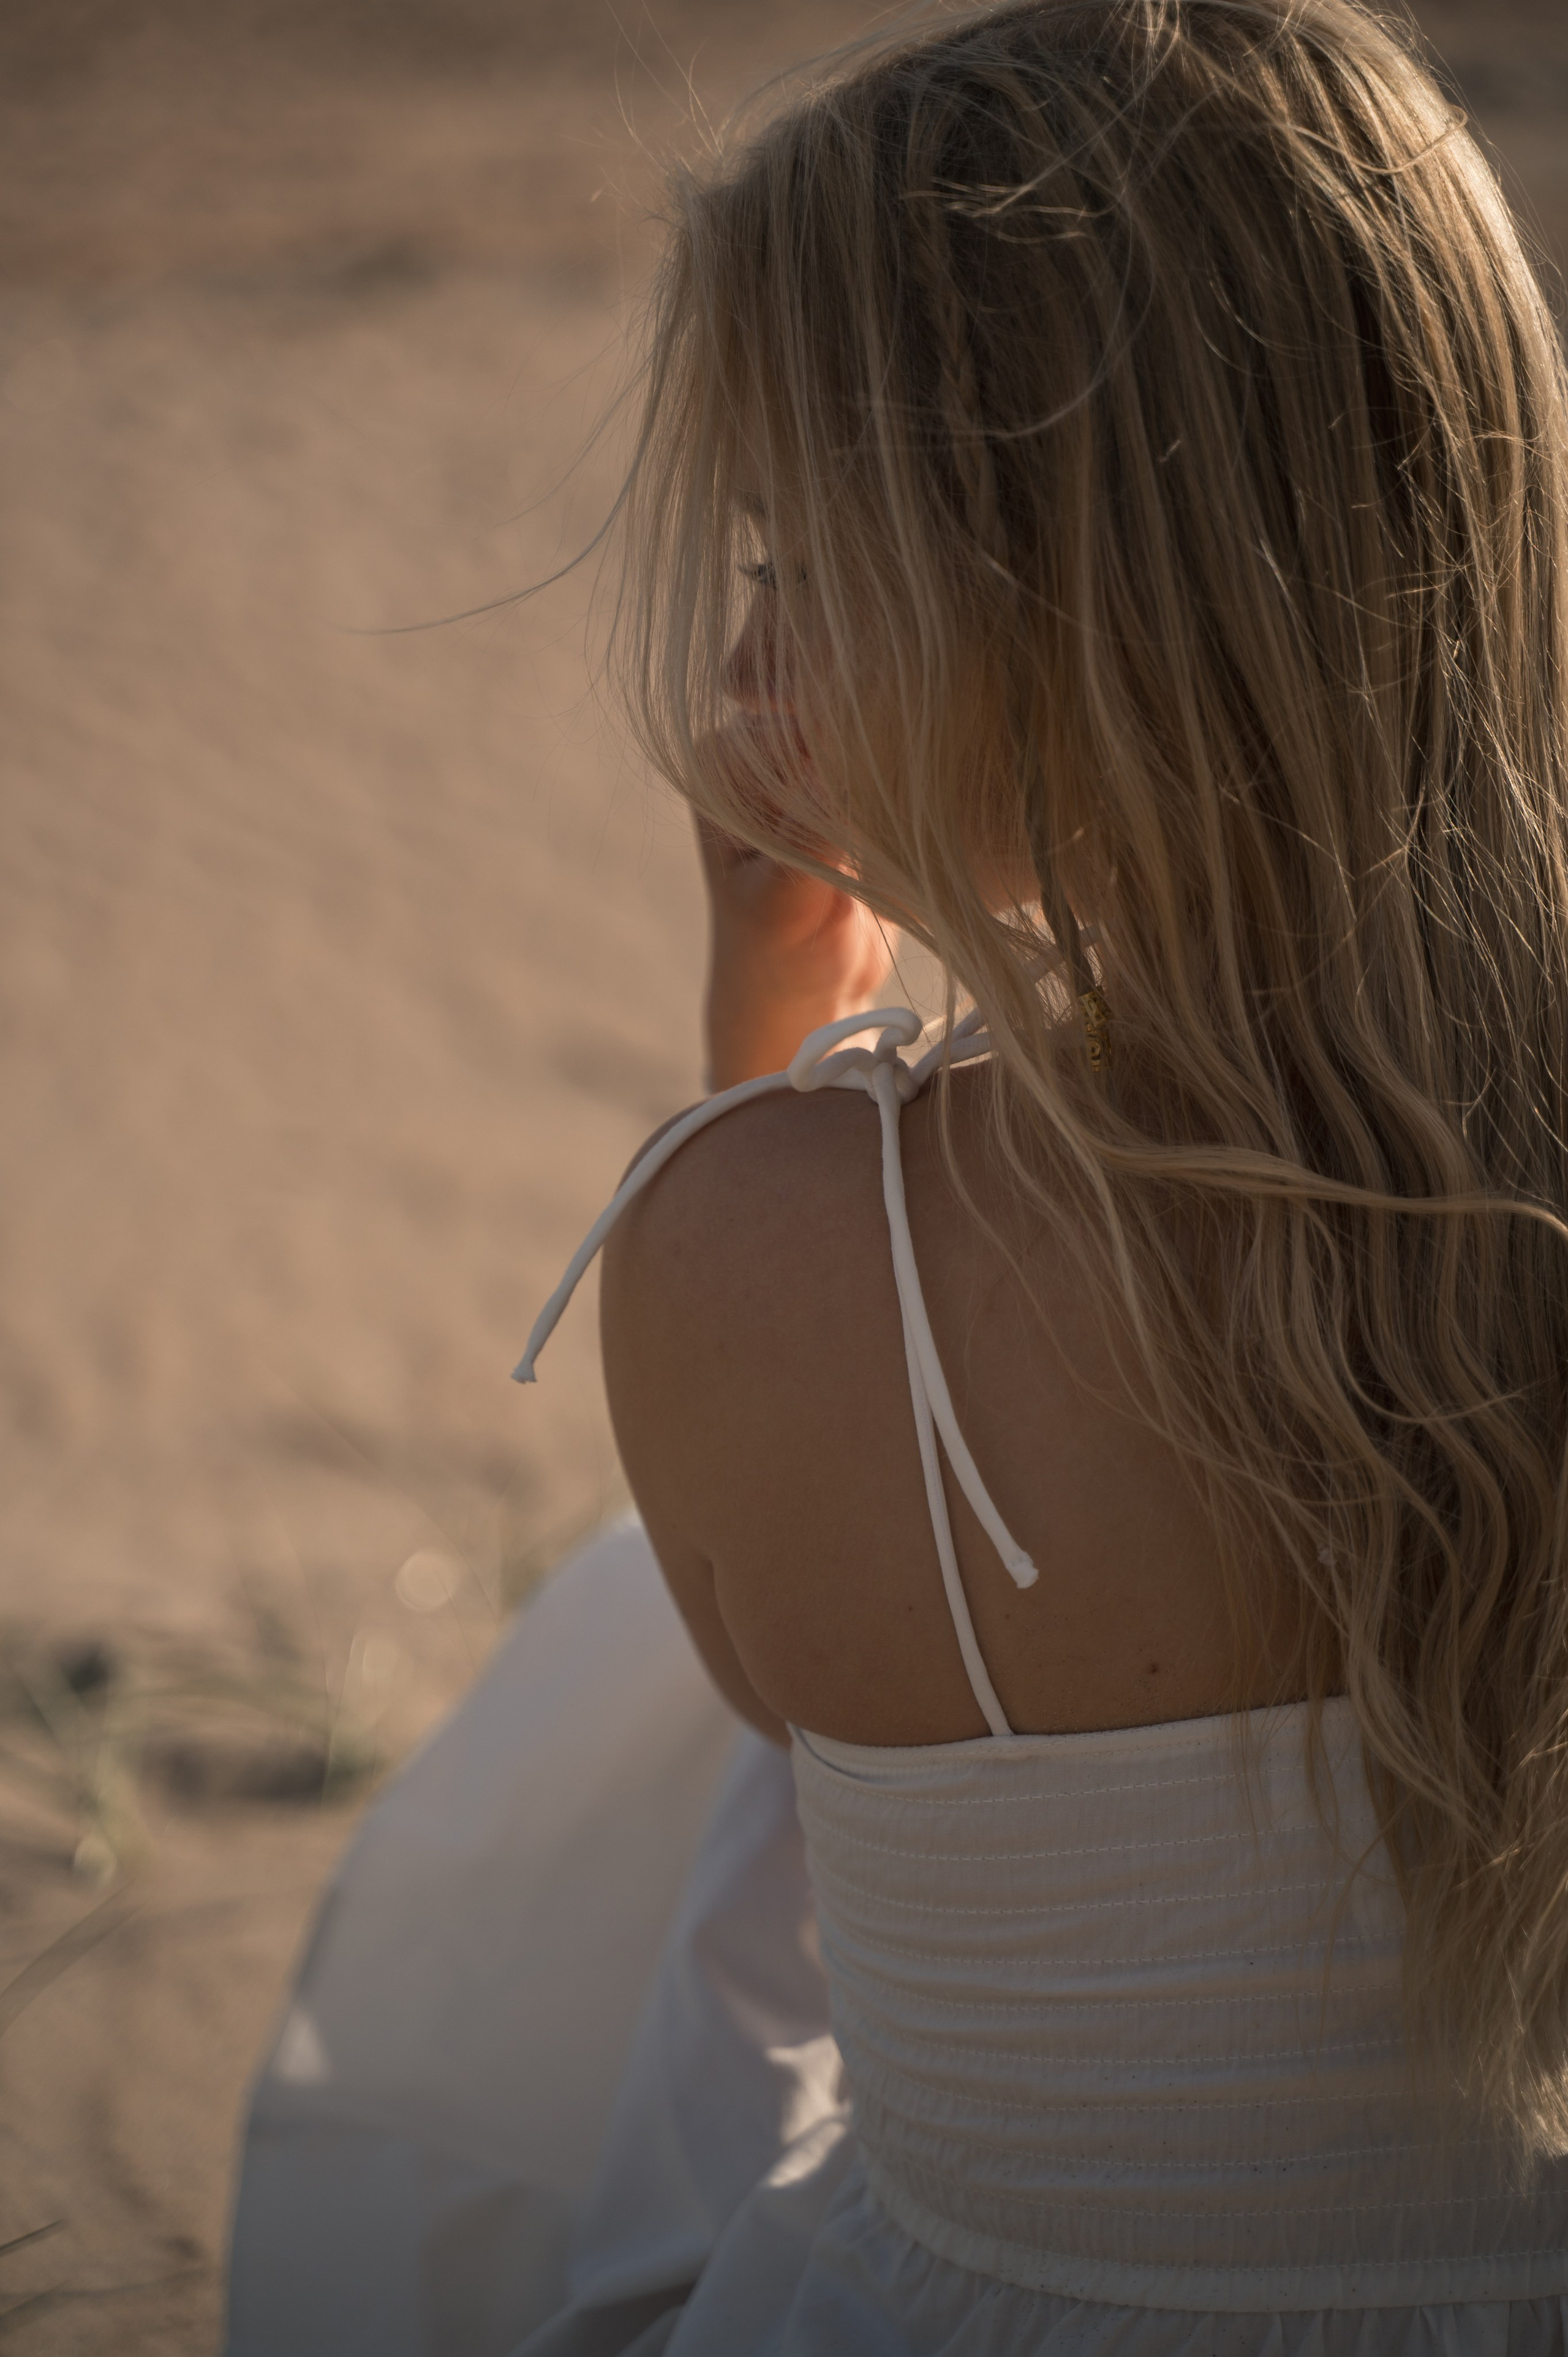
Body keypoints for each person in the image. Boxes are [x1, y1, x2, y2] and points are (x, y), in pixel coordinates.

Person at [228, 1, 1568, 2348]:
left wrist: (766, 1039)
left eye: (797, 568)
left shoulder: (751, 1258)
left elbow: (769, 1714)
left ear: (1068, 610)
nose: (743, 679)